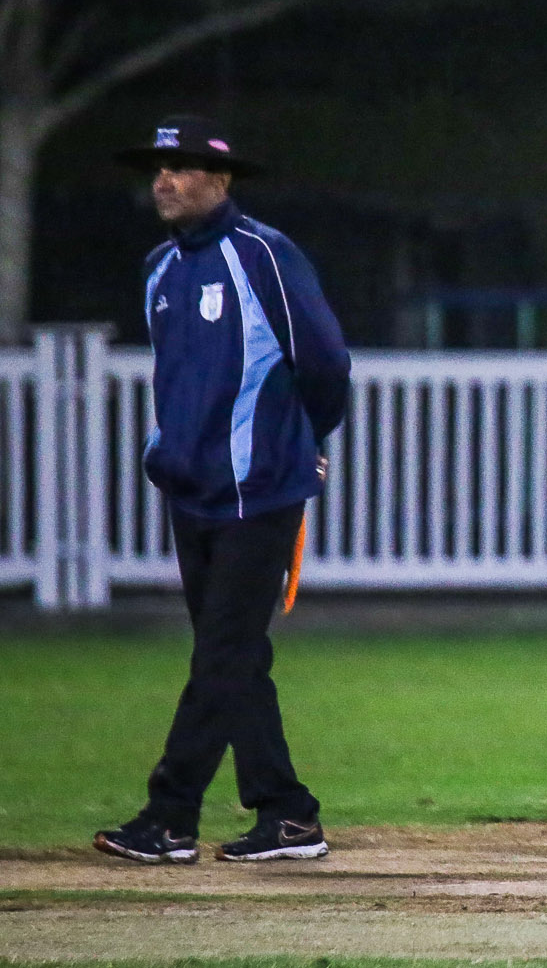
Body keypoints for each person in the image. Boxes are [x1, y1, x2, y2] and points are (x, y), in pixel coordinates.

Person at [93, 115, 350, 864]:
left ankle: (169, 816)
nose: (164, 180)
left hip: (259, 489)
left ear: (222, 178)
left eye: (180, 167)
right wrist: (169, 452)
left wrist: (302, 442)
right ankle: (289, 814)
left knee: (221, 655)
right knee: (234, 657)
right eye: (158, 169)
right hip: (193, 491)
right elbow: (175, 380)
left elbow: (326, 362)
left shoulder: (262, 254)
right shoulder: (160, 268)